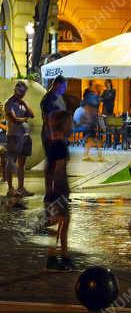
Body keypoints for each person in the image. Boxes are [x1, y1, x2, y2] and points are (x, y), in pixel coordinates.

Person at [44, 110, 73, 271]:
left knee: (59, 224)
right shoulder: (60, 145)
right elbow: (58, 170)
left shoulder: (53, 143)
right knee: (60, 224)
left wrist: (49, 189)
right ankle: (56, 258)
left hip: (52, 192)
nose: (72, 127)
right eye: (70, 123)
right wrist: (61, 191)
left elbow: (48, 169)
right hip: (58, 192)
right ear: (63, 126)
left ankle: (61, 256)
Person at [4, 81, 35, 200]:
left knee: (21, 164)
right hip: (14, 136)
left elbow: (32, 115)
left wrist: (26, 106)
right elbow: (14, 119)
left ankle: (21, 188)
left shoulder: (23, 103)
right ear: (15, 90)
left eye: (24, 92)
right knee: (11, 162)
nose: (22, 94)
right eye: (21, 92)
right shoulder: (9, 103)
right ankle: (10, 188)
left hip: (25, 136)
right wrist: (25, 118)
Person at [40, 76, 67, 198]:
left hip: (59, 135)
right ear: (56, 84)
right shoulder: (48, 99)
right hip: (50, 135)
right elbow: (47, 119)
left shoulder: (59, 98)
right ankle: (49, 191)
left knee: (60, 162)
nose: (65, 89)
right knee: (51, 162)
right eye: (63, 86)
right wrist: (51, 135)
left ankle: (56, 190)